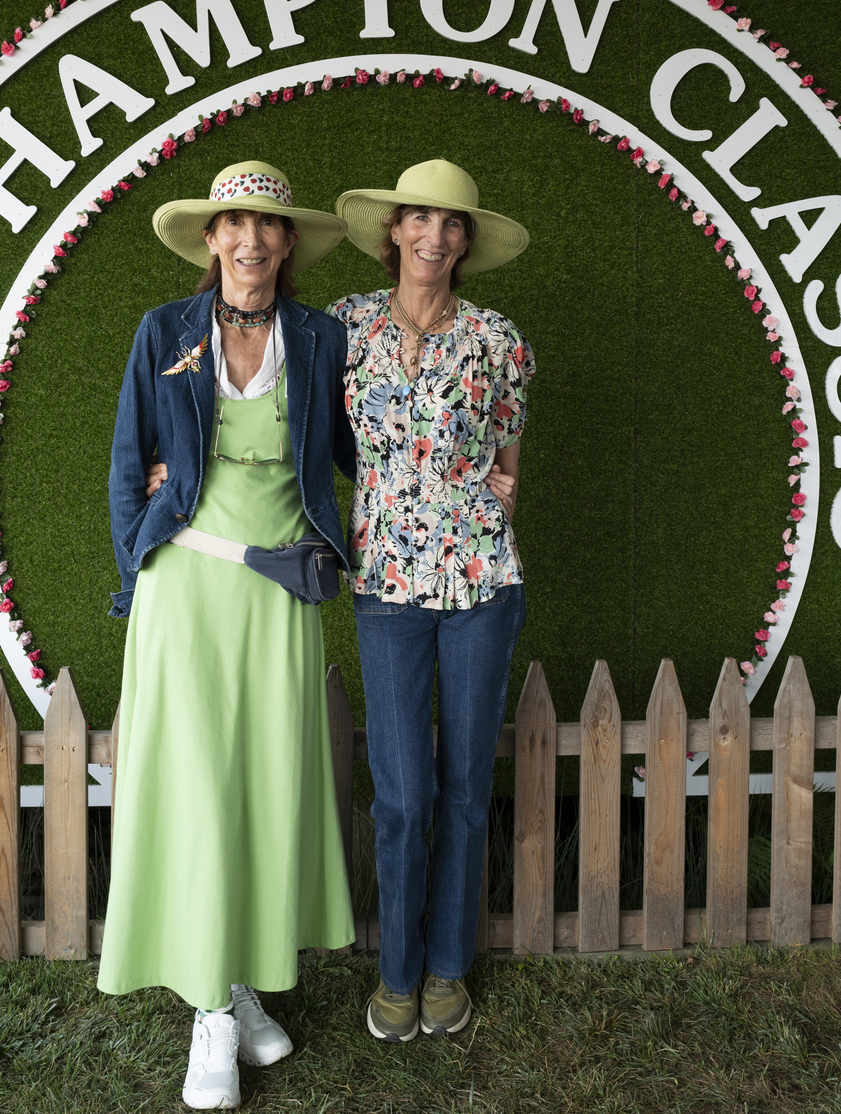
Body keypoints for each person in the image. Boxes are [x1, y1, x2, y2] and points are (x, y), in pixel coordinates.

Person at [101, 160, 356, 1111]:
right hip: (187, 591)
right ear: (211, 240)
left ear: (288, 244)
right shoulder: (163, 332)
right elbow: (131, 464)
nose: (250, 240)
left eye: (268, 226)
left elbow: (358, 450)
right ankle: (211, 1012)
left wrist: (477, 474)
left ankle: (241, 974)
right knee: (201, 790)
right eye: (232, 225)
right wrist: (139, 575)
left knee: (261, 791)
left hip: (280, 596)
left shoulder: (323, 339)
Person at [328, 160, 534, 1042]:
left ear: (466, 242)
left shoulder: (499, 339)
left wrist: (505, 491)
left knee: (461, 790)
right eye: (420, 219)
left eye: (452, 225)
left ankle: (449, 966)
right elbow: (320, 439)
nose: (434, 237)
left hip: (484, 582)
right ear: (394, 231)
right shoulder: (344, 328)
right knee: (403, 796)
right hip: (387, 585)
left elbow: (512, 452)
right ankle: (397, 973)